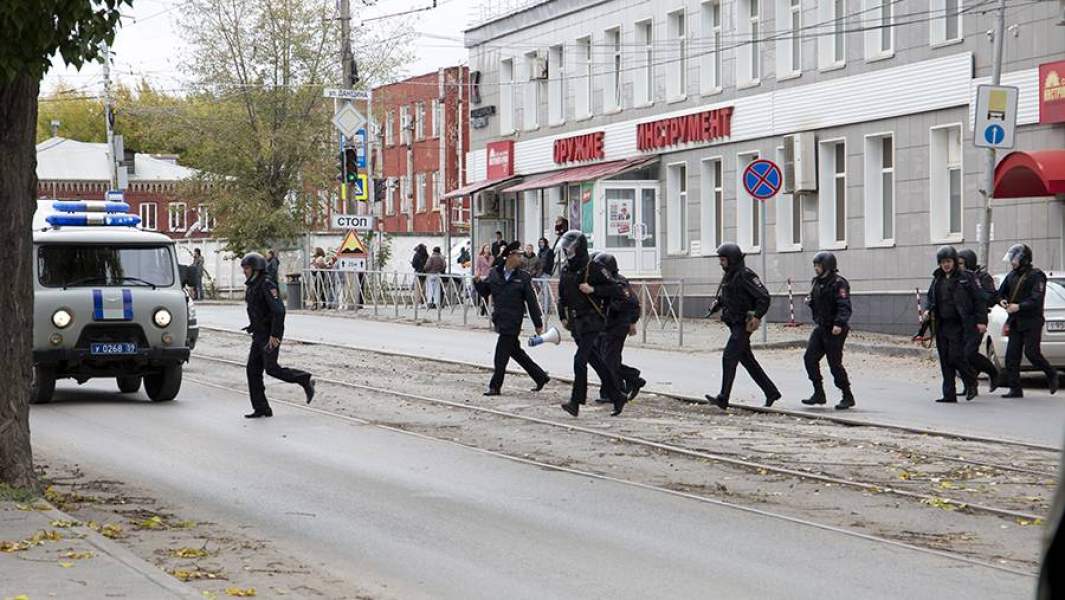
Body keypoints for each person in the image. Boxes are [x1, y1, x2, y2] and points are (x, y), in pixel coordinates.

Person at [556, 230, 627, 417]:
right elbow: (562, 296)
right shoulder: (566, 269)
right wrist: (562, 316)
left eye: (569, 248)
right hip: (576, 322)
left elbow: (618, 290)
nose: (566, 251)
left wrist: (593, 289)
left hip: (592, 320)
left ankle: (576, 401)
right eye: (565, 248)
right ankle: (617, 396)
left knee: (579, 360)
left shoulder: (593, 267)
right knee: (597, 362)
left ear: (579, 248)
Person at [703, 242, 781, 410]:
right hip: (733, 322)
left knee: (729, 357)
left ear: (731, 259)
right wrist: (717, 304)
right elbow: (730, 296)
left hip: (743, 324)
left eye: (723, 260)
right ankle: (771, 391)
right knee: (747, 361)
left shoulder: (745, 275)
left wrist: (757, 316)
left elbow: (764, 297)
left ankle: (723, 398)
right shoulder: (730, 275)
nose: (720, 263)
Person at [240, 252, 315, 418]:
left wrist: (275, 335)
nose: (244, 271)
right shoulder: (252, 285)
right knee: (252, 370)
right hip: (259, 334)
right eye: (244, 268)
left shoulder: (267, 284)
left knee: (272, 368)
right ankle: (261, 408)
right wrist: (252, 326)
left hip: (269, 335)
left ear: (256, 269)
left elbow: (279, 311)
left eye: (247, 268)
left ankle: (305, 379)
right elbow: (256, 310)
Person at [474, 241, 550, 396]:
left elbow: (531, 301)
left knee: (500, 354)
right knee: (516, 352)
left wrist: (538, 323)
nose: (520, 258)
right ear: (509, 256)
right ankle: (540, 377)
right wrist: (477, 283)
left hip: (513, 321)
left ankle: (495, 386)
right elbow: (485, 291)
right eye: (518, 255)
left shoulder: (523, 277)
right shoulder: (495, 273)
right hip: (500, 319)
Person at [997, 243, 1059, 398]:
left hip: (1032, 321)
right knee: (1012, 356)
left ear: (1024, 259)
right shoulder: (1011, 276)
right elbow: (1000, 293)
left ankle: (1051, 374)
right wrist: (1002, 301)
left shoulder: (1036, 276)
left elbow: (1036, 299)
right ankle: (1015, 389)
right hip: (1016, 321)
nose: (1012, 262)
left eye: (1015, 259)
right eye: (1011, 259)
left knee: (1032, 353)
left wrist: (1019, 307)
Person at [923, 245, 983, 403]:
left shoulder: (966, 277)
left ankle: (971, 382)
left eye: (948, 261)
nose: (946, 265)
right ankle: (949, 393)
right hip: (942, 324)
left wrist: (981, 321)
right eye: (943, 262)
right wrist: (928, 310)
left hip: (960, 324)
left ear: (954, 261)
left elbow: (979, 300)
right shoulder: (937, 279)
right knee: (944, 359)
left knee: (956, 356)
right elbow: (930, 299)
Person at [801, 252, 855, 410]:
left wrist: (839, 323)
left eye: (818, 265)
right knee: (809, 358)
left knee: (834, 364)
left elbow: (844, 305)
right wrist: (810, 302)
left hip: (835, 329)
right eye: (815, 266)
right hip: (821, 327)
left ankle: (847, 395)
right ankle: (818, 392)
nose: (816, 269)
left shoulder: (839, 283)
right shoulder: (816, 282)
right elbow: (817, 301)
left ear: (827, 266)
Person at [593, 252, 645, 403]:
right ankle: (627, 382)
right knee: (604, 360)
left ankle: (619, 387)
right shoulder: (604, 281)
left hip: (617, 327)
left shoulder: (618, 282)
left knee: (608, 361)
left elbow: (632, 303)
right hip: (605, 327)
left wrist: (631, 322)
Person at [958, 249, 1000, 391]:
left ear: (969, 263)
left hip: (978, 319)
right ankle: (970, 385)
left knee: (969, 353)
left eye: (962, 263)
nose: (959, 266)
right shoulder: (958, 277)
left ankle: (992, 371)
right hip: (962, 320)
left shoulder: (982, 277)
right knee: (962, 355)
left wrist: (977, 291)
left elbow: (990, 297)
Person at [474, 243, 493, 316]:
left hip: (489, 277)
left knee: (488, 293)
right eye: (486, 248)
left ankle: (484, 309)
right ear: (483, 249)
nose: (487, 250)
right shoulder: (480, 257)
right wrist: (478, 275)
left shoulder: (492, 257)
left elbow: (492, 266)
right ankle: (483, 308)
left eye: (488, 248)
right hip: (482, 276)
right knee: (484, 293)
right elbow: (477, 267)